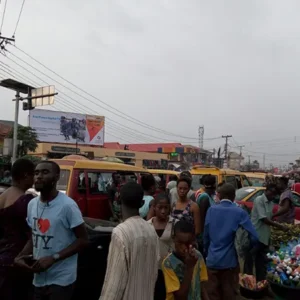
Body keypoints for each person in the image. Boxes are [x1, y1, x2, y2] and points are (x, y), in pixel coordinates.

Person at [15, 161, 88, 300]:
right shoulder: (32, 204)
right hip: (38, 278)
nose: (39, 176)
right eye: (36, 173)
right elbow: (34, 236)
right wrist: (21, 256)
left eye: (45, 172)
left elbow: (83, 240)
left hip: (61, 280)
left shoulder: (68, 206)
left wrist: (54, 258)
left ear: (56, 177)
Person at [100, 182, 160, 300]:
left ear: (118, 201)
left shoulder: (121, 232)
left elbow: (114, 284)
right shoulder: (151, 229)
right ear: (142, 203)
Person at [203, 183, 258, 300]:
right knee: (229, 294)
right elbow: (254, 236)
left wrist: (206, 252)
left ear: (219, 195)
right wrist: (246, 250)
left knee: (212, 294)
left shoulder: (211, 210)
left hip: (212, 260)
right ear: (234, 196)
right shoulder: (239, 212)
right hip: (230, 262)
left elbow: (206, 236)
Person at [0, 159, 35, 299]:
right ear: (26, 176)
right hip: (17, 259)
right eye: (34, 174)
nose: (35, 178)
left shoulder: (3, 195)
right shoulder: (27, 201)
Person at [244, 183, 288, 281]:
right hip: (255, 236)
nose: (273, 196)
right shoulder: (259, 200)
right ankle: (248, 284)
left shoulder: (271, 203)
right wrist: (280, 226)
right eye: (271, 193)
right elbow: (264, 219)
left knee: (261, 262)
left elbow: (270, 217)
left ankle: (260, 282)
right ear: (266, 191)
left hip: (264, 237)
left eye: (275, 194)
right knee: (249, 262)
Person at [162, 220, 209, 300]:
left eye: (187, 243)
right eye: (180, 243)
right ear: (173, 239)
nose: (184, 248)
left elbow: (202, 286)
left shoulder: (198, 256)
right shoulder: (168, 263)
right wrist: (190, 268)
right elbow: (180, 297)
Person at [148, 194, 177, 300]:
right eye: (160, 207)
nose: (163, 211)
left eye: (166, 207)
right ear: (154, 207)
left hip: (170, 270)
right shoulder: (147, 225)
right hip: (152, 270)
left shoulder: (174, 223)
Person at [196, 175, 217, 253]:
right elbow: (201, 218)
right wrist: (202, 237)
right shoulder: (204, 197)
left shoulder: (210, 196)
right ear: (214, 185)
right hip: (204, 235)